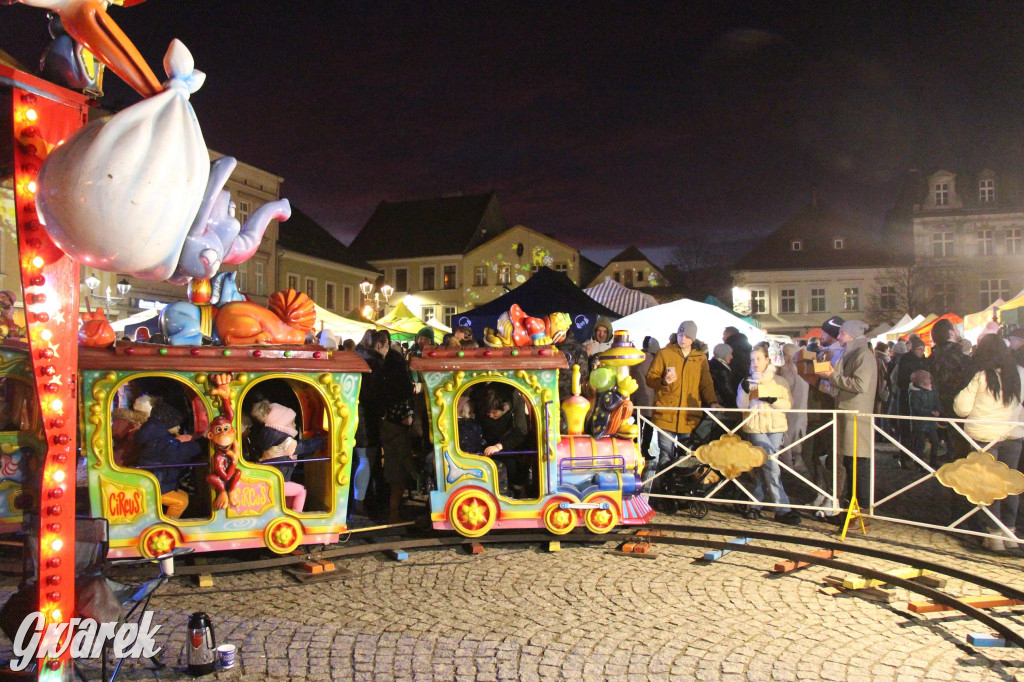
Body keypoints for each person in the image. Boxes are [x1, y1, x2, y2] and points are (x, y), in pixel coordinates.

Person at [953, 333, 1024, 552]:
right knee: (1010, 484)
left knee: (989, 487)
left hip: (985, 437)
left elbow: (961, 408)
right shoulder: (1020, 374)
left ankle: (994, 536)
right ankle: (1009, 532)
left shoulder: (982, 377)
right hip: (1013, 436)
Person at [816, 320, 877, 514]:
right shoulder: (853, 353)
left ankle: (861, 511)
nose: (839, 337)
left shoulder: (863, 355)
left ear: (850, 335)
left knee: (858, 464)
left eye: (841, 334)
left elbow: (860, 385)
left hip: (856, 417)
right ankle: (853, 509)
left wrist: (832, 376)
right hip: (848, 415)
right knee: (851, 463)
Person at [645, 320, 720, 478]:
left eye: (686, 335)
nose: (683, 338)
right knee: (665, 457)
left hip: (689, 416)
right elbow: (650, 378)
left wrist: (712, 401)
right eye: (680, 334)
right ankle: (664, 492)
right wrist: (663, 381)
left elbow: (706, 383)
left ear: (693, 338)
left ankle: (681, 492)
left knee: (687, 458)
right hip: (666, 413)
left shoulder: (700, 358)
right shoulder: (664, 353)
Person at [736, 346, 800, 525]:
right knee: (770, 464)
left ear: (767, 360)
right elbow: (741, 407)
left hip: (776, 426)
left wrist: (770, 399)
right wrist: (744, 390)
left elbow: (788, 404)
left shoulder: (779, 381)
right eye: (752, 360)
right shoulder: (746, 381)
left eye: (758, 359)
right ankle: (783, 509)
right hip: (755, 427)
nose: (755, 363)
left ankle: (755, 504)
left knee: (765, 465)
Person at [135, 403, 201, 520]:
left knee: (184, 495)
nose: (179, 428)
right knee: (181, 502)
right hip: (156, 484)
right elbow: (176, 454)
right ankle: (167, 524)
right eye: (176, 425)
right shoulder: (159, 440)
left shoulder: (155, 435)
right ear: (168, 423)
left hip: (159, 480)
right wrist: (193, 445)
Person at [254, 403, 324, 513]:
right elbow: (302, 447)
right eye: (292, 423)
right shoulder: (285, 440)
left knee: (291, 493)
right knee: (301, 490)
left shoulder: (269, 436)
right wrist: (321, 440)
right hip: (279, 480)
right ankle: (297, 515)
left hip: (272, 479)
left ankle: (289, 512)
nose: (295, 425)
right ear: (282, 424)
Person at [930, 318, 974, 461]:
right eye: (956, 328)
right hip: (962, 411)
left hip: (941, 410)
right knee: (963, 451)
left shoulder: (931, 359)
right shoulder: (962, 359)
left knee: (954, 449)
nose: (958, 331)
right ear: (950, 333)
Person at [476, 384, 530, 492]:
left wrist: (499, 445)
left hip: (512, 447)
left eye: (494, 412)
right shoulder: (484, 407)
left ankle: (518, 488)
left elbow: (520, 431)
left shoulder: (516, 403)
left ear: (505, 406)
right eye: (488, 413)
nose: (490, 415)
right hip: (489, 444)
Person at [629, 336, 661, 465]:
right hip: (649, 397)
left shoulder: (637, 358)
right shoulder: (653, 360)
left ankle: (634, 450)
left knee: (636, 425)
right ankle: (645, 451)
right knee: (648, 426)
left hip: (635, 397)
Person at [778, 343, 809, 473]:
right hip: (801, 407)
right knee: (796, 436)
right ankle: (794, 465)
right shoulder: (803, 368)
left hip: (790, 409)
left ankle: (788, 467)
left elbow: (783, 390)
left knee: (786, 437)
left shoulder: (787, 370)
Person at [908, 369, 942, 468]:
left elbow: (936, 402)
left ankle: (933, 461)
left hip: (930, 422)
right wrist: (931, 412)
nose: (930, 380)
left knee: (935, 441)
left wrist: (938, 410)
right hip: (919, 423)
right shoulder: (914, 393)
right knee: (920, 444)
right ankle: (919, 463)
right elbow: (916, 408)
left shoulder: (931, 391)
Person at [724, 327, 752, 400]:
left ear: (728, 335)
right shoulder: (746, 347)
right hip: (746, 381)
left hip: (733, 381)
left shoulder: (729, 348)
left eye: (724, 335)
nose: (722, 338)